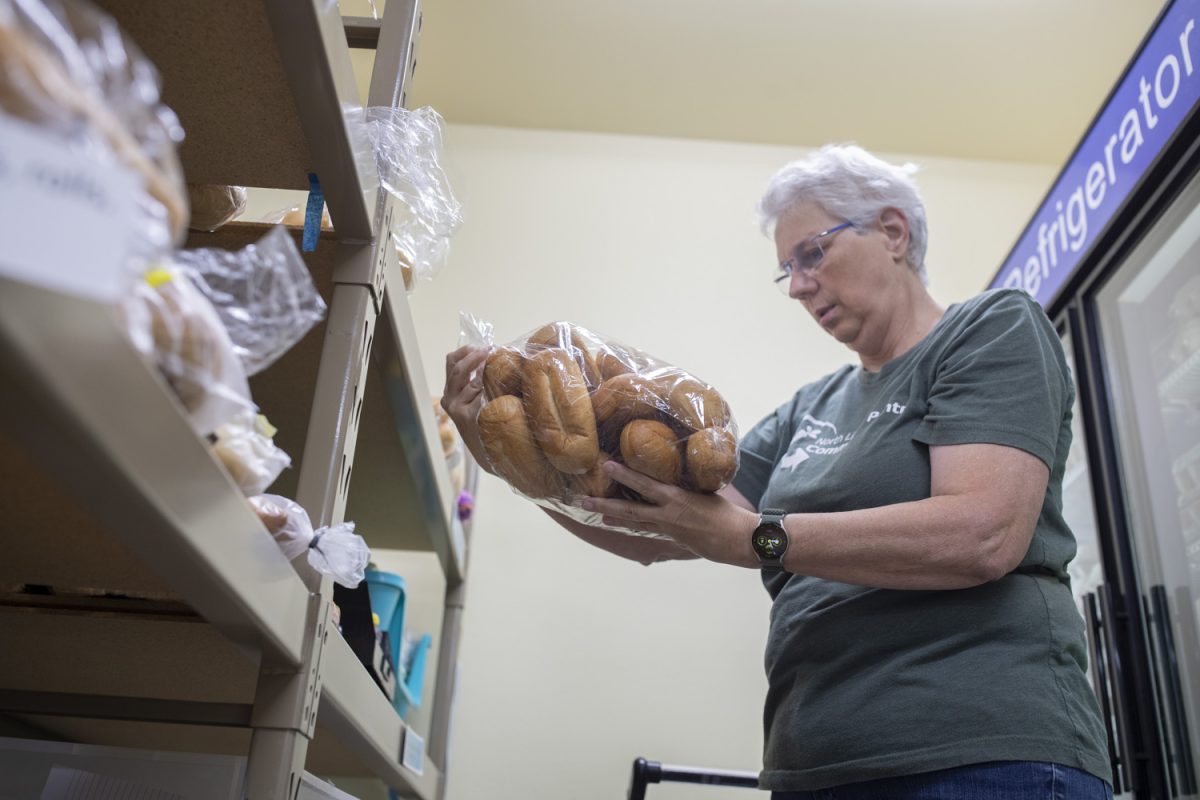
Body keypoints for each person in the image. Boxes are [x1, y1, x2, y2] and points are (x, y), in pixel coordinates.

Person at [442, 144, 1113, 799]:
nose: (797, 286)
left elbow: (983, 534)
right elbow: (664, 530)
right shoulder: (809, 409)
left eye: (812, 253)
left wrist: (759, 539)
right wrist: (516, 461)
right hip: (815, 767)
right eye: (786, 270)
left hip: (983, 759)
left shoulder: (990, 329)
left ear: (892, 232)